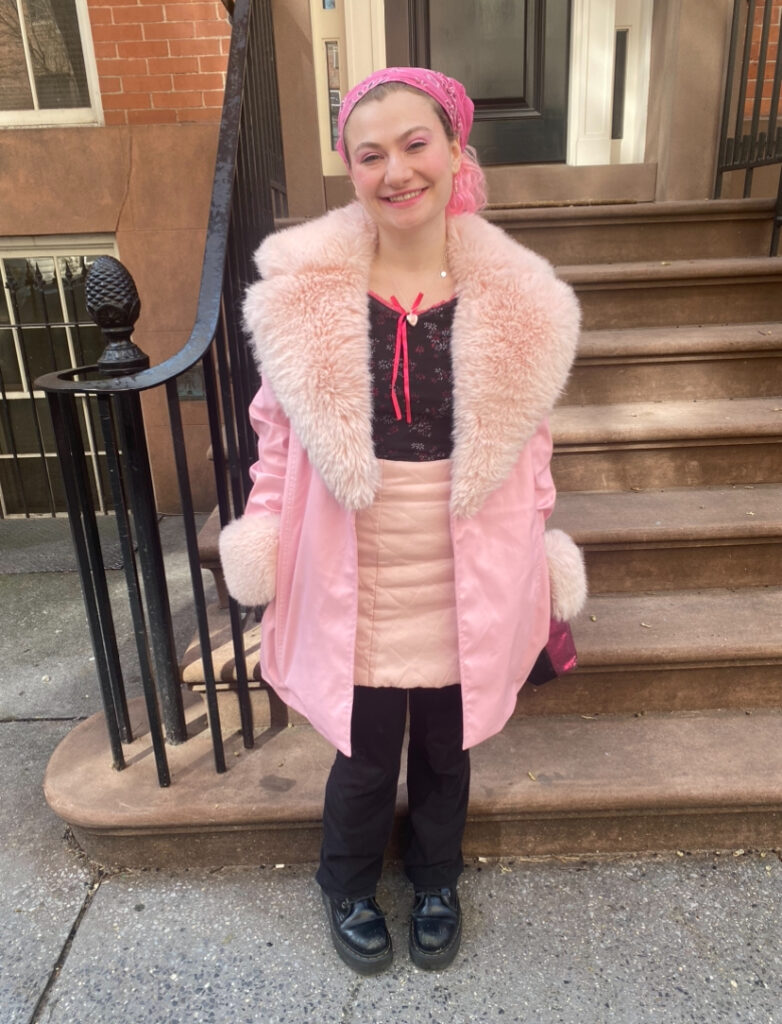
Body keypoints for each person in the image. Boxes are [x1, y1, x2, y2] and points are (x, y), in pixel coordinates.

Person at [219, 67, 586, 975]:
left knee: (449, 748)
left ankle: (435, 879)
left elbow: (529, 448)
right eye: (369, 153)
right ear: (351, 168)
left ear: (456, 148)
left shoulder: (520, 303)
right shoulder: (305, 296)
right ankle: (344, 882)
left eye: (415, 144)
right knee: (365, 746)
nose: (396, 171)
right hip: (359, 559)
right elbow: (275, 438)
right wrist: (264, 529)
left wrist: (541, 549)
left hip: (472, 557)